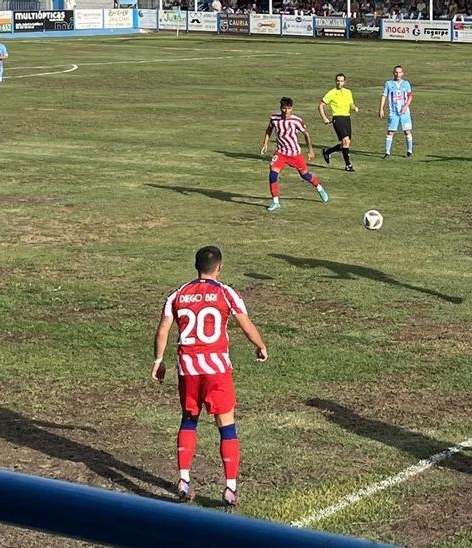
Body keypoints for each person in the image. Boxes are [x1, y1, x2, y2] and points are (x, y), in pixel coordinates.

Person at [152, 246, 268, 508]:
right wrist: (260, 346)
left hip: (188, 369)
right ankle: (230, 488)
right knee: (226, 426)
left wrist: (159, 362)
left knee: (189, 420)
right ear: (220, 267)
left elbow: (162, 331)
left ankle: (183, 480)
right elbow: (247, 326)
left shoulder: (177, 294)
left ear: (196, 266)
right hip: (216, 370)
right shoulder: (227, 293)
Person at [261, 97, 329, 212]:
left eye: (289, 108)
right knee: (273, 173)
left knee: (305, 175)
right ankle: (276, 201)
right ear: (280, 108)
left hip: (295, 154)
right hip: (281, 153)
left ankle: (319, 188)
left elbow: (306, 134)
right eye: (284, 108)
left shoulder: (296, 120)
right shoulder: (274, 118)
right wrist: (265, 144)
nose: (286, 111)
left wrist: (310, 150)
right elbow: (269, 130)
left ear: (292, 108)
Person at [319, 73, 360, 172]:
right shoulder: (331, 93)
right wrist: (325, 118)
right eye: (338, 81)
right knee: (345, 141)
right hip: (337, 118)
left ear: (344, 82)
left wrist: (354, 107)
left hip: (347, 118)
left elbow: (350, 103)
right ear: (335, 81)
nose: (339, 83)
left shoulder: (348, 92)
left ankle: (327, 151)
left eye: (341, 81)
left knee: (346, 143)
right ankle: (348, 165)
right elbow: (321, 105)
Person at [379, 65, 414, 159]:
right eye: (396, 72)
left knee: (407, 131)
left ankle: (409, 151)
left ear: (402, 73)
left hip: (404, 112)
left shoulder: (406, 84)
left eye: (399, 72)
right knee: (390, 132)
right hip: (393, 112)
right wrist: (381, 108)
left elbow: (410, 96)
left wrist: (406, 106)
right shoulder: (389, 83)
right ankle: (387, 153)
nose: (398, 74)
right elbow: (384, 96)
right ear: (393, 73)